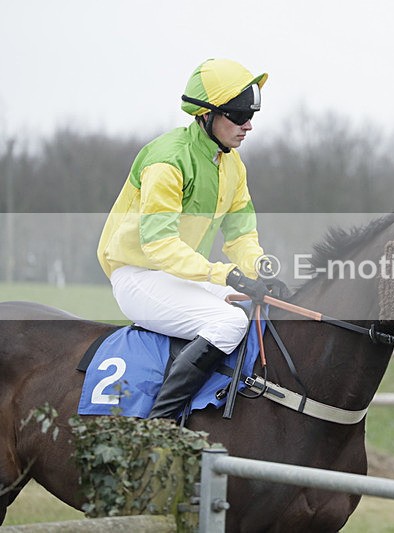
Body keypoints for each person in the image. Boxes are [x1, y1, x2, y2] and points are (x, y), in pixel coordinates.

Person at [97, 58, 287, 419]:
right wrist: (224, 274)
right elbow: (160, 245)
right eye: (238, 115)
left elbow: (241, 235)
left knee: (258, 310)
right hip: (138, 276)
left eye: (251, 116)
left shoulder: (232, 165)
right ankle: (161, 424)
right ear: (206, 114)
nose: (248, 125)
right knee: (230, 323)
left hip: (179, 278)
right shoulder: (168, 160)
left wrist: (260, 268)